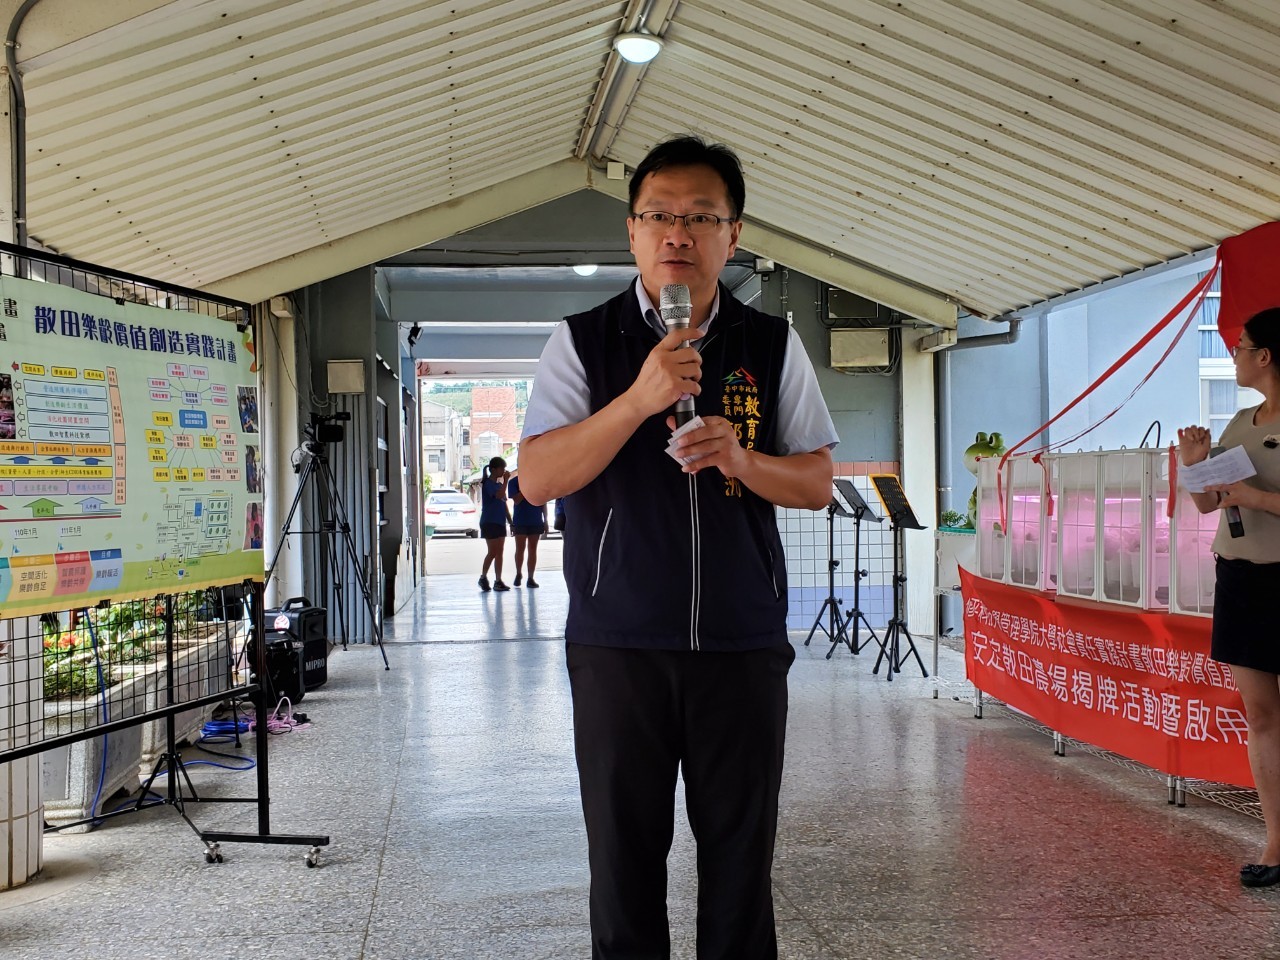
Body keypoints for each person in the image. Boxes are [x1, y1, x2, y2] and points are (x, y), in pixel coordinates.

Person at [518, 135, 837, 959]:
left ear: (734, 236)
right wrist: (636, 400)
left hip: (742, 645)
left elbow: (815, 481)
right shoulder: (581, 342)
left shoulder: (771, 345)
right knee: (623, 867)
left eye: (701, 217)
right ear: (631, 231)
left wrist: (742, 459)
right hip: (618, 645)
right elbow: (538, 479)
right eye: (659, 215)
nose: (678, 234)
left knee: (741, 865)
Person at [1178, 306, 1280, 888]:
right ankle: (1275, 842)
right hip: (1241, 577)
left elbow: (1247, 495)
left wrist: (1256, 497)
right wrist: (1195, 466)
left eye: (1241, 346)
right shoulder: (1241, 421)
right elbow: (1210, 503)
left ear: (1265, 356)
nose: (1234, 355)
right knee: (1260, 714)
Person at [507, 472, 546, 587]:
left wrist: (546, 520)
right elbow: (517, 500)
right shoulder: (514, 482)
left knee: (532, 549)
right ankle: (518, 573)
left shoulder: (538, 482)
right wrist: (527, 487)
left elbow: (543, 502)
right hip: (520, 520)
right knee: (520, 548)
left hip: (535, 519)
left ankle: (530, 577)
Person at [477, 456, 511, 592]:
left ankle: (498, 580)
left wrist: (511, 522)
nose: (503, 471)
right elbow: (498, 495)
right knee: (493, 551)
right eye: (502, 468)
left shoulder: (498, 485)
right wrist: (506, 481)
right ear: (493, 469)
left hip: (500, 521)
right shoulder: (488, 484)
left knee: (500, 552)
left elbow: (504, 504)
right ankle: (483, 577)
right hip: (489, 521)